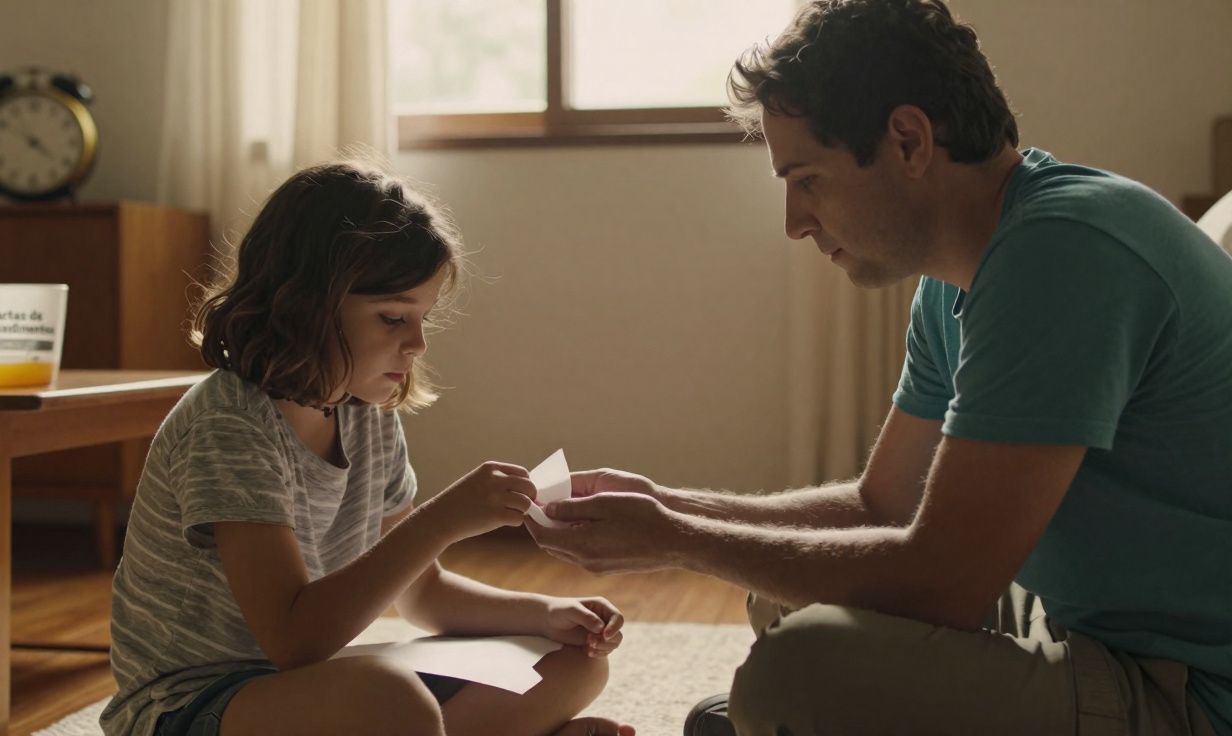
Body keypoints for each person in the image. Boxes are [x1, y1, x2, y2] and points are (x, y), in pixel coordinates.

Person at [526, 1, 1232, 735]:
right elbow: (883, 505)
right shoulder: (956, 279)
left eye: (808, 179)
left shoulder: (1063, 253)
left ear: (907, 139)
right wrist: (674, 507)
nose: (795, 221)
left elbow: (943, 584)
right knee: (789, 598)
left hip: (1189, 692)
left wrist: (676, 541)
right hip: (1079, 625)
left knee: (797, 672)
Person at [101, 161, 634, 736]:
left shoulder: (367, 415)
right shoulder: (230, 425)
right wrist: (440, 522)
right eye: (392, 318)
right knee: (389, 700)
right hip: (191, 706)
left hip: (305, 688)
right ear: (306, 303)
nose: (418, 343)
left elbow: (422, 594)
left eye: (423, 318)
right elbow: (295, 641)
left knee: (571, 664)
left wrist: (548, 613)